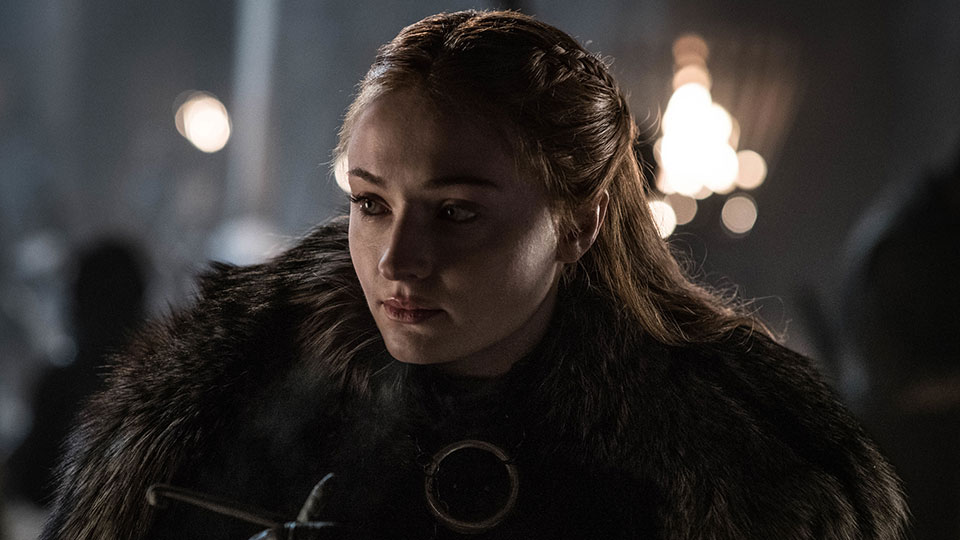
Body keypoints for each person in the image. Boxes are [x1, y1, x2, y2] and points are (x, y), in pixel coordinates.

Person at [42, 10, 907, 540]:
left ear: (578, 223)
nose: (398, 259)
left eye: (456, 212)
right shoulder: (216, 404)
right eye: (370, 203)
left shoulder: (743, 468)